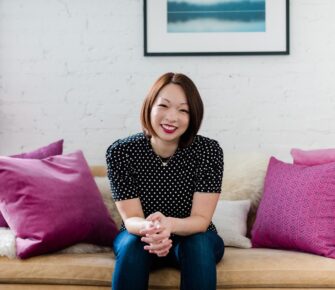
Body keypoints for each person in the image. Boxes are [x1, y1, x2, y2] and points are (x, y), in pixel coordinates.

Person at [106, 72, 224, 290]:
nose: (172, 117)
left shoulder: (208, 151)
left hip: (193, 237)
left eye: (183, 110)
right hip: (140, 236)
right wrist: (152, 229)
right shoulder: (121, 152)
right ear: (149, 106)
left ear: (193, 116)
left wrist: (169, 225)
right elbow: (131, 218)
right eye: (164, 106)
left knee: (197, 242)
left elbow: (201, 220)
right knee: (132, 244)